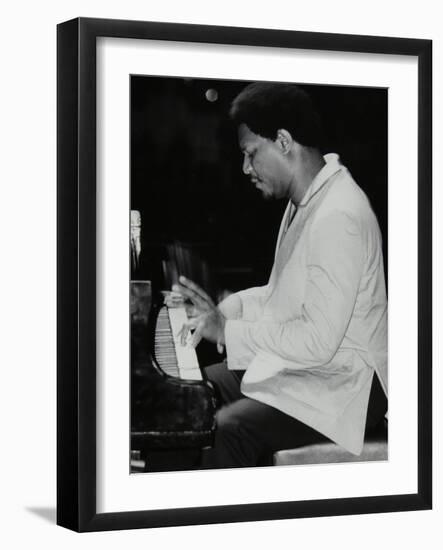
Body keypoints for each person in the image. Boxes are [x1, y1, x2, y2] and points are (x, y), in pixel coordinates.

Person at [174, 82, 388, 469]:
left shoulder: (338, 214)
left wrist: (226, 331)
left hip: (346, 388)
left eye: (251, 153)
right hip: (318, 370)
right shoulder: (306, 201)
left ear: (284, 141)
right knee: (194, 389)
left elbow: (318, 341)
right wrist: (226, 309)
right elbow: (281, 294)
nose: (245, 168)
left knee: (227, 427)